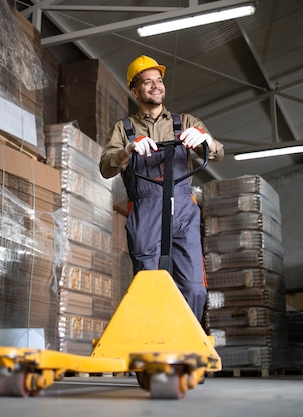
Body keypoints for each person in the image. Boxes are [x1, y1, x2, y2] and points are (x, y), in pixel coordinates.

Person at [99, 55, 225, 322]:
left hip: (182, 208)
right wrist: (127, 151)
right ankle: (155, 344)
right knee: (149, 284)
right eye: (147, 82)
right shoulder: (124, 129)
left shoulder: (187, 121)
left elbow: (219, 153)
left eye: (159, 81)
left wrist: (206, 140)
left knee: (194, 287)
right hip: (145, 208)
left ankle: (185, 345)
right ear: (135, 91)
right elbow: (106, 168)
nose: (156, 86)